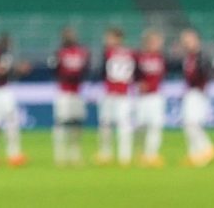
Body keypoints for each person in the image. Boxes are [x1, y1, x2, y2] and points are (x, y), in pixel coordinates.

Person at [51, 26, 90, 167]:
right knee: (61, 122)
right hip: (64, 92)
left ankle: (75, 154)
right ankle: (60, 154)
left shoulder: (82, 52)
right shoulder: (59, 52)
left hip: (77, 92)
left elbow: (86, 70)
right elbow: (54, 70)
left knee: (77, 123)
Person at [96, 26, 136, 166]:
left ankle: (107, 154)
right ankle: (124, 156)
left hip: (115, 93)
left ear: (118, 38)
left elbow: (103, 72)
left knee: (108, 125)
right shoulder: (130, 53)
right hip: (123, 93)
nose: (107, 40)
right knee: (122, 125)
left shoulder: (108, 53)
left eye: (110, 38)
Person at [177, 28, 214, 167]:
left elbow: (207, 72)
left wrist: (202, 86)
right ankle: (194, 154)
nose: (186, 43)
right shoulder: (189, 57)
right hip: (191, 91)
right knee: (189, 124)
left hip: (197, 92)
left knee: (192, 123)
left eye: (188, 40)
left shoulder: (201, 57)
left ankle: (207, 148)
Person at [0, 33, 28, 167]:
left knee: (6, 123)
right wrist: (17, 69)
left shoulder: (2, 55)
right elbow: (0, 71)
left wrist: (16, 69)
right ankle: (4, 155)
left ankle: (6, 155)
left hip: (1, 90)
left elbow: (4, 70)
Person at [134, 30, 167, 167]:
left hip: (156, 96)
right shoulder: (139, 57)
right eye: (154, 41)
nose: (157, 44)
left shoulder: (161, 57)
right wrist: (138, 83)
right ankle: (140, 152)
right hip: (142, 97)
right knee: (141, 126)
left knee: (156, 126)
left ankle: (152, 154)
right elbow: (134, 74)